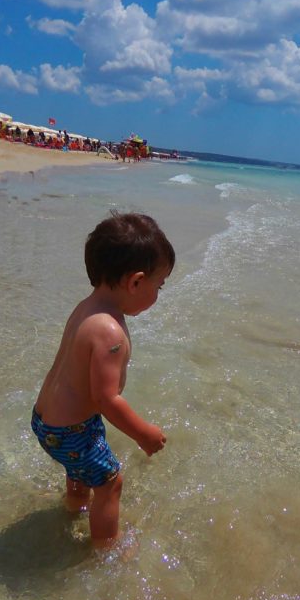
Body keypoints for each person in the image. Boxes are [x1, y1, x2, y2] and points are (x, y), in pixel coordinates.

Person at [31, 212, 175, 548]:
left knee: (80, 466)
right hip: (72, 431)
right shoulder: (110, 332)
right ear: (136, 282)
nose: (159, 293)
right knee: (110, 482)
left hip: (46, 421)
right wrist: (144, 434)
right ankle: (105, 550)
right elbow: (106, 399)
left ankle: (74, 505)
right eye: (160, 284)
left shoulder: (87, 308)